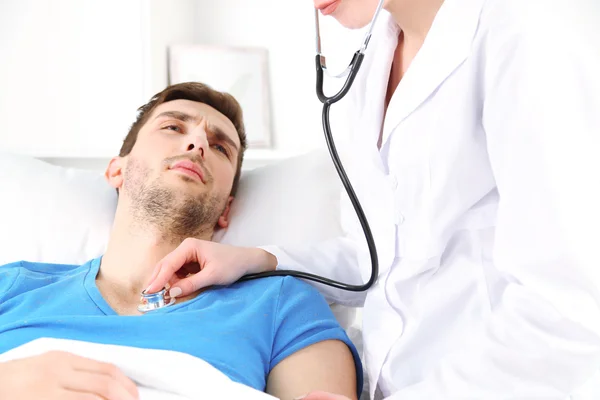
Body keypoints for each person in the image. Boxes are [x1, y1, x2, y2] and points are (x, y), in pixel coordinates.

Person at [145, 0, 600, 399]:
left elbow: (570, 310)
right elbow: (377, 256)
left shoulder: (527, 34)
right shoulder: (369, 63)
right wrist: (257, 259)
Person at [0, 82, 363, 400]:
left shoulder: (282, 305)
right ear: (117, 170)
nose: (198, 142)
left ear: (227, 209)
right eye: (173, 127)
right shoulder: (12, 287)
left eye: (221, 148)